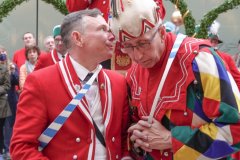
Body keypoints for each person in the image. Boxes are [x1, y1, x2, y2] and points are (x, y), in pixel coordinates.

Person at [110, 0, 240, 159]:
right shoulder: (133, 75)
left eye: (143, 43)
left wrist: (172, 139)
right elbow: (134, 129)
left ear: (162, 33)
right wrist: (137, 136)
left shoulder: (200, 60)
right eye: (127, 46)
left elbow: (235, 129)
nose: (137, 56)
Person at [10, 9, 130, 159]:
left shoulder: (118, 82)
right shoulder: (40, 82)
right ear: (78, 38)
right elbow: (21, 147)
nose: (112, 36)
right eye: (103, 29)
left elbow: (124, 137)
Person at [0, 45, 11, 160]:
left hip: (1, 105)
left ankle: (2, 151)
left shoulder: (3, 69)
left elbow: (7, 85)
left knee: (2, 130)